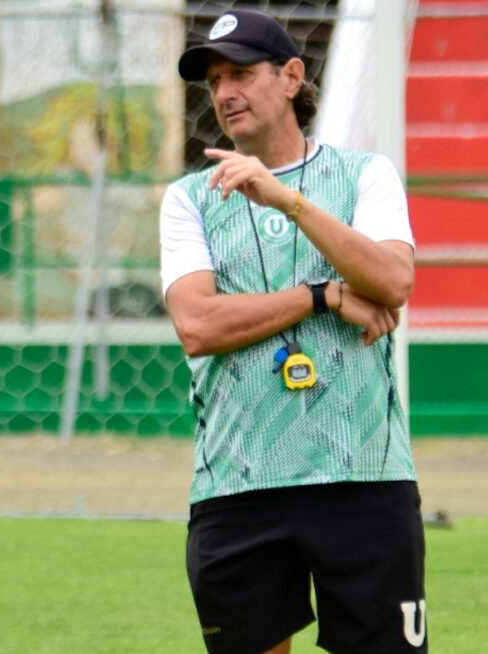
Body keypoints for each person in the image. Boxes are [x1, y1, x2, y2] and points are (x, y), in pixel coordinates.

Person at [161, 9, 426, 654]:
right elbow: (198, 324)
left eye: (241, 74)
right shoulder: (188, 199)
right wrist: (324, 296)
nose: (224, 92)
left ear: (291, 77)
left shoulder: (366, 174)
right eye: (214, 80)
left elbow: (392, 281)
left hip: (363, 474)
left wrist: (290, 202)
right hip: (238, 481)